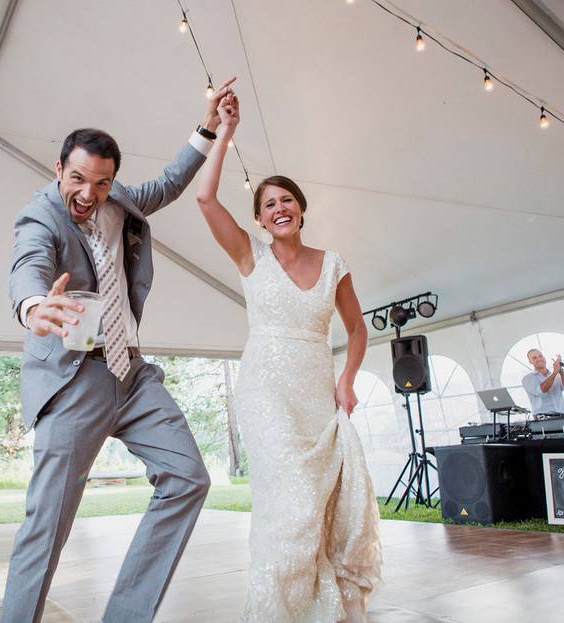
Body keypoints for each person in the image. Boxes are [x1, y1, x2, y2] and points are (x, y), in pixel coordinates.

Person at [2, 77, 236, 623]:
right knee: (47, 527)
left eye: (101, 183)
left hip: (131, 373)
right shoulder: (41, 216)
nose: (88, 193)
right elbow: (28, 266)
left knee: (189, 479)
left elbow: (173, 181)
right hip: (73, 378)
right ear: (59, 169)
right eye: (78, 178)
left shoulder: (120, 198)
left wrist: (209, 126)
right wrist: (34, 307)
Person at [195, 93, 381, 622]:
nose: (280, 208)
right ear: (258, 219)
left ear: (301, 208)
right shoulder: (249, 257)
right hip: (266, 393)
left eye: (287, 200)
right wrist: (224, 132)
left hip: (317, 395)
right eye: (269, 204)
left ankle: (312, 608)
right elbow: (206, 201)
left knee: (318, 509)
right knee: (291, 504)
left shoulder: (333, 264)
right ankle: (274, 610)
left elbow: (357, 329)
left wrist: (346, 380)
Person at [522, 349, 564, 416]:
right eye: (534, 358)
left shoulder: (558, 375)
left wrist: (561, 371)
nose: (539, 359)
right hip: (542, 420)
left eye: (540, 356)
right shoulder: (528, 378)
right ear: (530, 362)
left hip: (562, 416)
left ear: (544, 357)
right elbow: (542, 391)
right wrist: (554, 373)